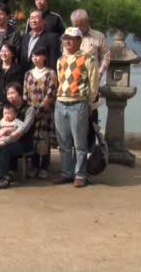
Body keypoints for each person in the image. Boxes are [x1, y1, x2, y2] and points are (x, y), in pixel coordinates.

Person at [54, 27, 98, 188]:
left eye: (71, 38)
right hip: (60, 103)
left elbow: (93, 83)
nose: (67, 41)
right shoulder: (61, 60)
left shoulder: (87, 59)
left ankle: (80, 174)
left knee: (79, 142)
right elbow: (60, 80)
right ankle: (67, 172)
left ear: (79, 40)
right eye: (65, 38)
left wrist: (90, 103)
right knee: (64, 142)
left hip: (78, 103)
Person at [0, 83, 35, 189]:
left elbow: (25, 128)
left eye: (13, 93)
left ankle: (3, 178)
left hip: (23, 143)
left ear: (20, 93)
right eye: (8, 93)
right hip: (6, 140)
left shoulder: (29, 109)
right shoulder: (7, 109)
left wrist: (8, 130)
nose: (10, 96)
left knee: (3, 148)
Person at [23, 47, 57, 179]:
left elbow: (51, 93)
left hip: (45, 113)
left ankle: (44, 167)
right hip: (30, 112)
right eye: (33, 55)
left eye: (38, 55)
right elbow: (25, 93)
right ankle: (34, 165)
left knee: (44, 139)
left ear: (44, 57)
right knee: (33, 139)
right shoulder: (28, 74)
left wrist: (41, 108)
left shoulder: (51, 73)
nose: (35, 58)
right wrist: (29, 109)